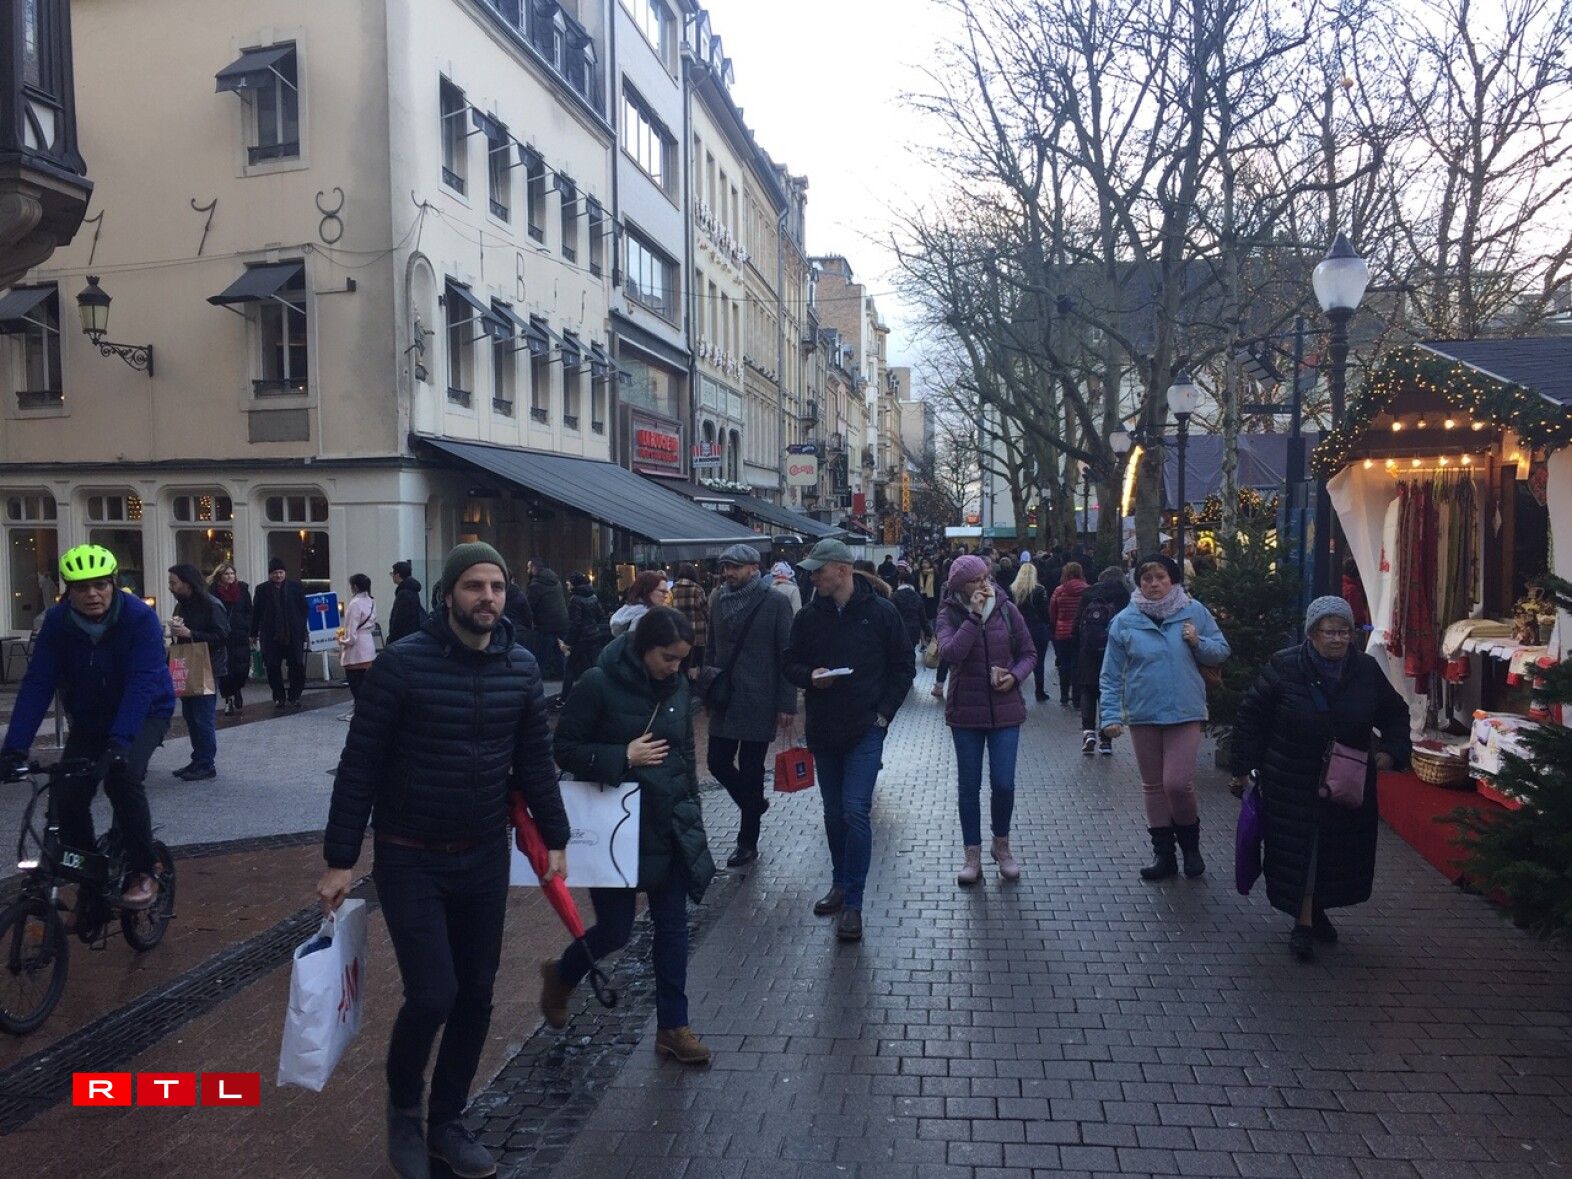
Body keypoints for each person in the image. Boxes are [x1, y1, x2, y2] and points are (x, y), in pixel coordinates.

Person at [318, 542, 569, 1179]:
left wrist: (556, 837)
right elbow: (360, 764)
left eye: (497, 586)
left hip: (483, 854)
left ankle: (448, 1121)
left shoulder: (519, 667)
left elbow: (535, 762)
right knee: (433, 994)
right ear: (449, 594)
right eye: (474, 586)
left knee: (476, 995)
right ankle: (405, 1107)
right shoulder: (402, 665)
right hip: (411, 856)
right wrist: (341, 859)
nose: (488, 597)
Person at [538, 607, 716, 1064]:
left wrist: (692, 814)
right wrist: (623, 755)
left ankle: (674, 1027)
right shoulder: (597, 683)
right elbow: (564, 748)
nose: (675, 667)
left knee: (673, 928)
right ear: (643, 647)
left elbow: (683, 752)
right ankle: (563, 973)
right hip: (615, 828)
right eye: (667, 657)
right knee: (615, 931)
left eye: (681, 659)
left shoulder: (677, 686)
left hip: (668, 823)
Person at [1229, 596, 1411, 961]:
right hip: (1291, 777)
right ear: (1312, 633)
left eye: (1344, 631)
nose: (1338, 639)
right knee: (1303, 848)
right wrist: (1242, 767)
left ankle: (1315, 910)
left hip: (1346, 779)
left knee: (1334, 849)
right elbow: (1252, 716)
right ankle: (1303, 923)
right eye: (1329, 632)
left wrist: (1391, 751)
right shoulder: (1284, 666)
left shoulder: (1365, 670)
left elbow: (1395, 712)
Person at [0, 545, 174, 908]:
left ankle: (144, 870)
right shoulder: (58, 623)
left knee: (121, 779)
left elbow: (142, 682)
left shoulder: (139, 618)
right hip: (91, 718)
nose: (92, 594)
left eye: (100, 585)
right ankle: (90, 885)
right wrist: (14, 748)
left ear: (113, 584)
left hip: (145, 713)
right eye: (81, 587)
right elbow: (38, 683)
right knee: (68, 795)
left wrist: (120, 744)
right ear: (68, 592)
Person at [784, 537, 916, 942]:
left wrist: (883, 715)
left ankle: (853, 903)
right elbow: (789, 661)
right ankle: (840, 883)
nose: (812, 577)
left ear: (842, 570)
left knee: (855, 810)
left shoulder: (881, 613)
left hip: (865, 728)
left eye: (818, 571)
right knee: (833, 812)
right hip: (824, 728)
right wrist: (810, 677)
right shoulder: (809, 617)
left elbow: (903, 667)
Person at [1098, 554, 1230, 882]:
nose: (1154, 584)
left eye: (1160, 577)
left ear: (1173, 579)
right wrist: (1110, 716)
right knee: (1154, 786)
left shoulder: (1194, 611)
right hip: (1143, 713)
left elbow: (1221, 650)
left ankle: (1191, 848)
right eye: (1147, 578)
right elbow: (1111, 674)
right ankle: (1164, 855)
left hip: (1185, 711)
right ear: (1138, 583)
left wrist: (1197, 641)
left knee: (1177, 784)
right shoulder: (1125, 621)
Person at [934, 554, 1037, 885]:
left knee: (1003, 783)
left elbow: (1029, 653)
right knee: (969, 786)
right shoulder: (949, 614)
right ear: (961, 586)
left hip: (1006, 710)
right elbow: (951, 654)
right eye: (976, 580)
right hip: (966, 712)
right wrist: (974, 616)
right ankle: (972, 854)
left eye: (986, 577)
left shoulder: (1007, 609)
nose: (984, 584)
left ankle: (1001, 845)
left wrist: (1015, 676)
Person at [705, 544, 797, 867]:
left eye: (734, 567)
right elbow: (711, 647)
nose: (728, 573)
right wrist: (708, 686)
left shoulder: (775, 602)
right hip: (725, 696)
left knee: (752, 768)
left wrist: (786, 703)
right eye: (725, 567)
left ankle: (747, 842)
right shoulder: (717, 600)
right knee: (716, 761)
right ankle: (753, 803)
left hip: (760, 697)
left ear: (754, 568)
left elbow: (786, 655)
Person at [167, 563, 230, 781]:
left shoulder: (212, 605)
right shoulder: (181, 605)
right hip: (187, 665)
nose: (170, 587)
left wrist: (190, 633)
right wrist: (177, 633)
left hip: (208, 666)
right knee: (190, 716)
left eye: (174, 583)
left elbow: (223, 636)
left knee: (202, 717)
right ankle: (198, 759)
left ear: (187, 583)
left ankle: (206, 763)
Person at [1075, 567, 1132, 754]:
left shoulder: (1088, 593)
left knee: (1088, 689)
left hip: (1088, 650)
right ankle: (1106, 739)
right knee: (1107, 688)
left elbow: (1077, 623)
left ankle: (1088, 732)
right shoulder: (1122, 595)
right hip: (1112, 648)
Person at [250, 557, 308, 709]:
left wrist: (303, 629)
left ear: (285, 573)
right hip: (271, 635)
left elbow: (303, 609)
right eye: (275, 573)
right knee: (272, 666)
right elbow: (256, 612)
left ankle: (295, 695)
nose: (278, 575)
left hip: (293, 633)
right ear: (270, 574)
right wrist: (253, 633)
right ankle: (278, 696)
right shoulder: (262, 589)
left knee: (297, 665)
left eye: (281, 572)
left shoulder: (295, 587)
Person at [210, 562, 252, 716]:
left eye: (232, 574)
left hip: (239, 633)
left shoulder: (242, 590)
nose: (230, 576)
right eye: (226, 574)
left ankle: (237, 689)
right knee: (226, 669)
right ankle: (228, 699)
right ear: (220, 576)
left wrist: (248, 627)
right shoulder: (213, 592)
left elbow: (249, 610)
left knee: (241, 669)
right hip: (222, 635)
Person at [1048, 562, 1090, 709]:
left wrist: (1056, 625)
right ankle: (1077, 698)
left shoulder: (1059, 590)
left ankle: (1064, 696)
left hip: (1062, 632)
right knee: (1077, 664)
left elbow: (1052, 612)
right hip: (1080, 632)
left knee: (1064, 663)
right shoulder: (1087, 590)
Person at [561, 571, 609, 699]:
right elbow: (600, 615)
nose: (567, 584)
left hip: (580, 639)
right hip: (593, 635)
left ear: (574, 584)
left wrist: (568, 641)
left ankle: (565, 696)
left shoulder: (575, 599)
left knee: (570, 667)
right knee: (593, 666)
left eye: (569, 582)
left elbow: (575, 623)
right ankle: (597, 693)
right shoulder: (593, 596)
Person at [337, 573, 377, 721]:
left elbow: (351, 634)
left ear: (355, 587)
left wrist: (342, 640)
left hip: (356, 649)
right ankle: (360, 709)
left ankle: (359, 711)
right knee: (364, 682)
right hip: (368, 644)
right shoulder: (371, 601)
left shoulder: (354, 604)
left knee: (355, 682)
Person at [525, 559, 570, 678]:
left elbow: (529, 606)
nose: (527, 570)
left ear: (534, 568)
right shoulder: (555, 580)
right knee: (560, 656)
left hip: (546, 626)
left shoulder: (536, 585)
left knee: (540, 658)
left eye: (529, 568)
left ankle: (534, 682)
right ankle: (568, 682)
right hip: (562, 623)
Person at [1015, 562, 1052, 702]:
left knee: (1017, 660)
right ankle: (1039, 690)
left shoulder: (1013, 590)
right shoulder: (1040, 590)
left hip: (1018, 628)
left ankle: (1016, 689)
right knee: (1039, 660)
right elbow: (1045, 611)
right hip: (1037, 628)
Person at [668, 563, 710, 672]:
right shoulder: (697, 590)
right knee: (698, 667)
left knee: (681, 666)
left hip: (678, 634)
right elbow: (706, 611)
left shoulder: (672, 590)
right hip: (697, 635)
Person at [610, 570, 670, 637]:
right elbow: (637, 642)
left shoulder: (629, 610)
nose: (665, 596)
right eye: (662, 591)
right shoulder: (645, 616)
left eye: (666, 592)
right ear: (647, 590)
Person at [387, 561, 428, 645]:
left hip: (404, 639)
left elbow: (398, 620)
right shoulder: (412, 590)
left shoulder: (403, 594)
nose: (392, 577)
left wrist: (391, 639)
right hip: (412, 635)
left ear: (398, 575)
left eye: (392, 574)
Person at [891, 568, 930, 651]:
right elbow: (923, 618)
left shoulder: (895, 596)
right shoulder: (917, 596)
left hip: (900, 631)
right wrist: (929, 633)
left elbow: (892, 616)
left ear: (901, 581)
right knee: (911, 653)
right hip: (914, 631)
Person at [917, 557, 939, 621]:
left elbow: (937, 588)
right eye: (922, 563)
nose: (923, 564)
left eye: (926, 562)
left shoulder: (935, 574)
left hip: (932, 599)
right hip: (922, 598)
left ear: (930, 564)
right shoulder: (919, 574)